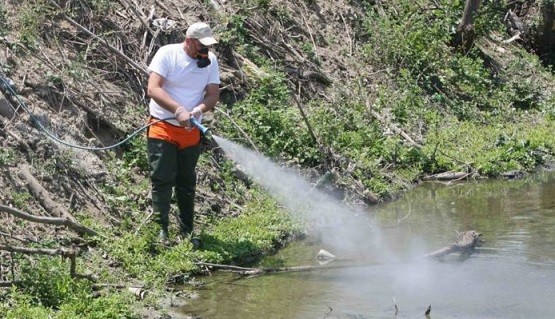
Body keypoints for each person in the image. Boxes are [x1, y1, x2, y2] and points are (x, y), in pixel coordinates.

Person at [146, 22, 220, 245]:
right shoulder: (167, 54)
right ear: (189, 41)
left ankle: (187, 230)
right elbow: (153, 88)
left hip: (190, 132)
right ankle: (161, 230)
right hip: (162, 126)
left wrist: (197, 110)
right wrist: (177, 110)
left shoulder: (211, 62)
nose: (205, 51)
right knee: (162, 178)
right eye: (201, 46)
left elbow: (212, 95)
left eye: (208, 46)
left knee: (186, 181)